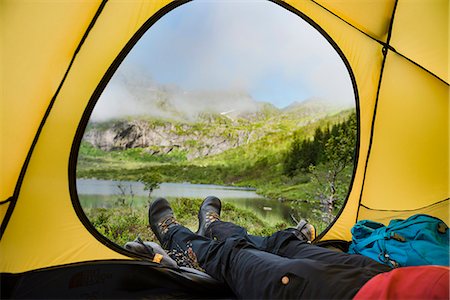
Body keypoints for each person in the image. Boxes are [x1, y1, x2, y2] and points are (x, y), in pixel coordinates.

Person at [148, 196, 391, 299]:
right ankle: (214, 227)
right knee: (288, 245)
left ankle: (175, 237)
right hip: (384, 277)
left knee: (235, 256)